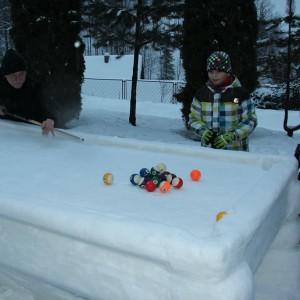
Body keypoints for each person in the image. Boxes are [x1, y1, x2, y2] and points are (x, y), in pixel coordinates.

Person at [189, 51, 257, 151]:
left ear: (228, 72)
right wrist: (203, 131)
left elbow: (250, 120)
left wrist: (233, 135)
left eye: (218, 71)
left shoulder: (239, 94)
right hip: (209, 152)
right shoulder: (201, 94)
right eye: (211, 72)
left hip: (236, 152)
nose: (214, 76)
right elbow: (193, 119)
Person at [0, 49, 55, 135]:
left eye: (21, 73)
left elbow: (47, 105)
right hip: (6, 132)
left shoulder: (34, 86)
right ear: (5, 76)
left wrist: (49, 118)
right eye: (13, 75)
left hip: (33, 133)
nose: (18, 79)